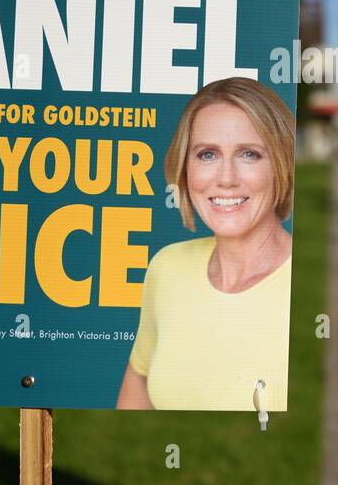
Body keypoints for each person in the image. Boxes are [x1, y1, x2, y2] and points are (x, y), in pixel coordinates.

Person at [116, 77, 294, 411]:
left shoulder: (308, 286)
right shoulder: (166, 267)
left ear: (283, 166)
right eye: (208, 154)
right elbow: (136, 391)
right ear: (184, 169)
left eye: (250, 154)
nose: (226, 178)